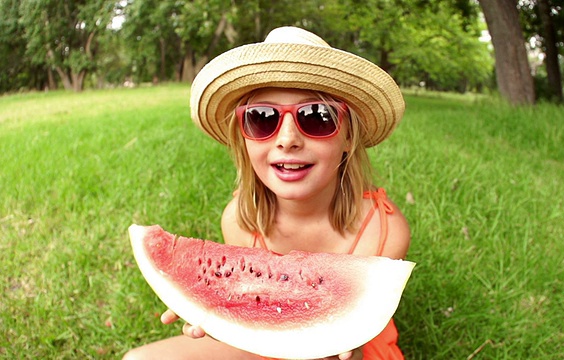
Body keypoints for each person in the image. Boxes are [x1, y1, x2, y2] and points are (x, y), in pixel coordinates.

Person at [124, 26, 410, 360]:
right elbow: (254, 310)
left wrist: (343, 343)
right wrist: (219, 314)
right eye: (262, 118)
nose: (287, 138)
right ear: (244, 140)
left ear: (348, 138)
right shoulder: (239, 220)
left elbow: (352, 340)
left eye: (316, 117)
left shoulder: (384, 231)